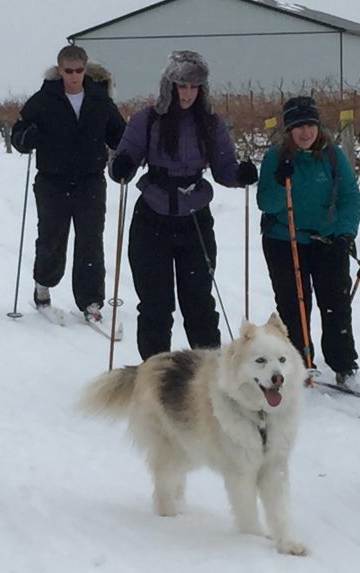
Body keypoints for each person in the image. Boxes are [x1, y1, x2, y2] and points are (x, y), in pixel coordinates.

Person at [108, 50, 258, 360]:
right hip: (152, 217)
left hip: (194, 220)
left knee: (199, 302)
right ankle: (155, 375)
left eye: (194, 87)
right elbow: (124, 160)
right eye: (182, 86)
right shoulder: (146, 120)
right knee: (155, 304)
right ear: (169, 85)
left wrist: (239, 175)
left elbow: (223, 168)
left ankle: (208, 376)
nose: (188, 93)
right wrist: (120, 166)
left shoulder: (211, 124)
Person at [10, 45, 126, 324]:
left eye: (79, 71)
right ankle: (43, 287)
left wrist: (128, 156)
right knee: (51, 237)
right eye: (68, 71)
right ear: (60, 70)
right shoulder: (43, 99)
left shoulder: (100, 99)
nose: (74, 76)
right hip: (52, 180)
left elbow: (119, 136)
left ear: (85, 70)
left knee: (90, 240)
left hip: (90, 181)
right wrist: (26, 137)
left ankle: (91, 301)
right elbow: (18, 133)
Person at [256, 96, 360, 385]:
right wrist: (281, 182)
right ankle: (300, 361)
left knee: (336, 303)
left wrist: (345, 232)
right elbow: (266, 203)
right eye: (299, 126)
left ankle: (344, 364)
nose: (305, 132)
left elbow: (350, 198)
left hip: (328, 239)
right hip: (284, 238)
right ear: (288, 129)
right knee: (294, 303)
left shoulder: (332, 156)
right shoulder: (274, 157)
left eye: (310, 125)